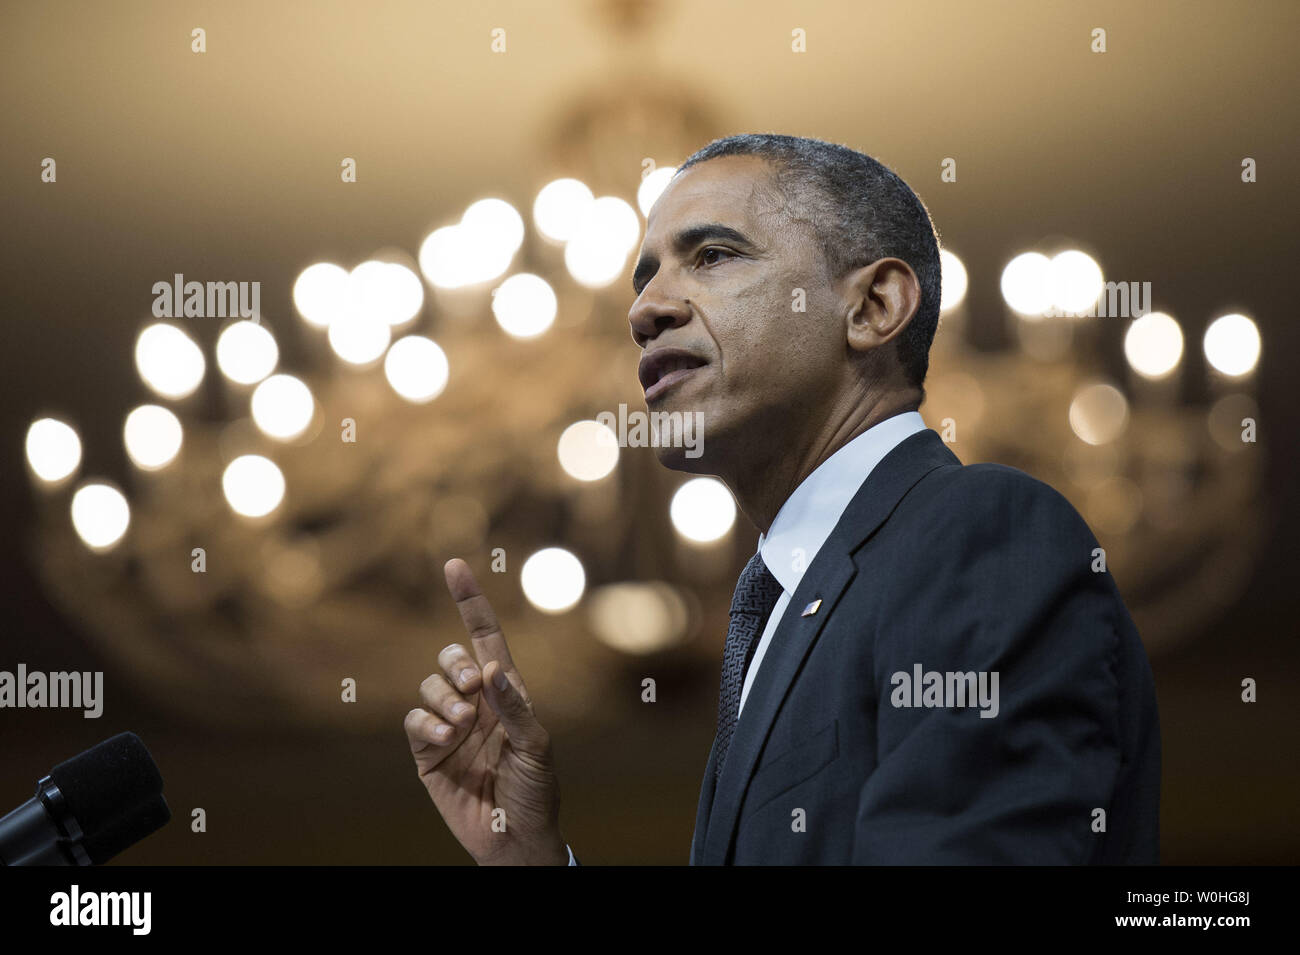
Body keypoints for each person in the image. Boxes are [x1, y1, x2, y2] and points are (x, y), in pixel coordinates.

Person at [403, 133, 1161, 865]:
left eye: (712, 255)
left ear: (872, 306)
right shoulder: (780, 611)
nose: (644, 312)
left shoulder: (979, 529)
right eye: (645, 279)